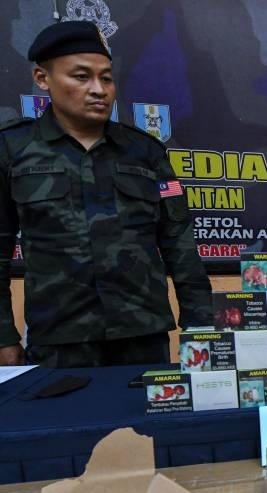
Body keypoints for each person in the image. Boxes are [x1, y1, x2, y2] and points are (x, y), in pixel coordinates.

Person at [0, 21, 212, 368]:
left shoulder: (145, 152)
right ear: (42, 78)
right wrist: (4, 338)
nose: (99, 90)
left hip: (143, 335)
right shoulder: (13, 150)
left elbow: (180, 245)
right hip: (60, 339)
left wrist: (202, 325)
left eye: (107, 78)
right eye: (81, 77)